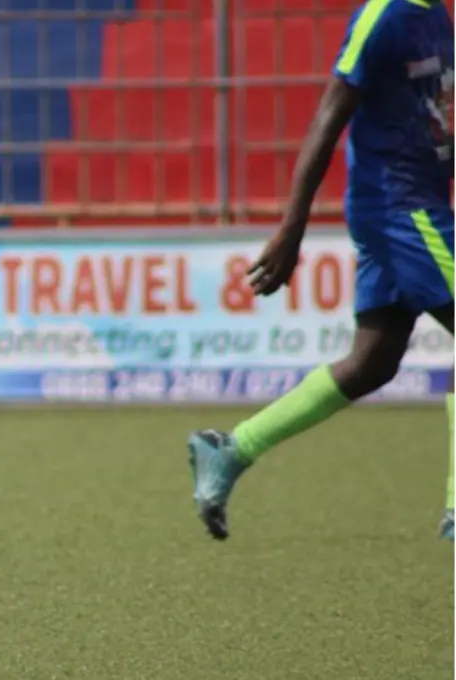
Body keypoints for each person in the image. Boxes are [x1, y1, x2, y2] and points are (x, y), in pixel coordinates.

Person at [187, 0, 455, 541]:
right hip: (400, 210)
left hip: (419, 204)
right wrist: (292, 229)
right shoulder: (384, 15)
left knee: (371, 363)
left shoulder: (439, 15)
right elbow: (331, 111)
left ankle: (232, 449)